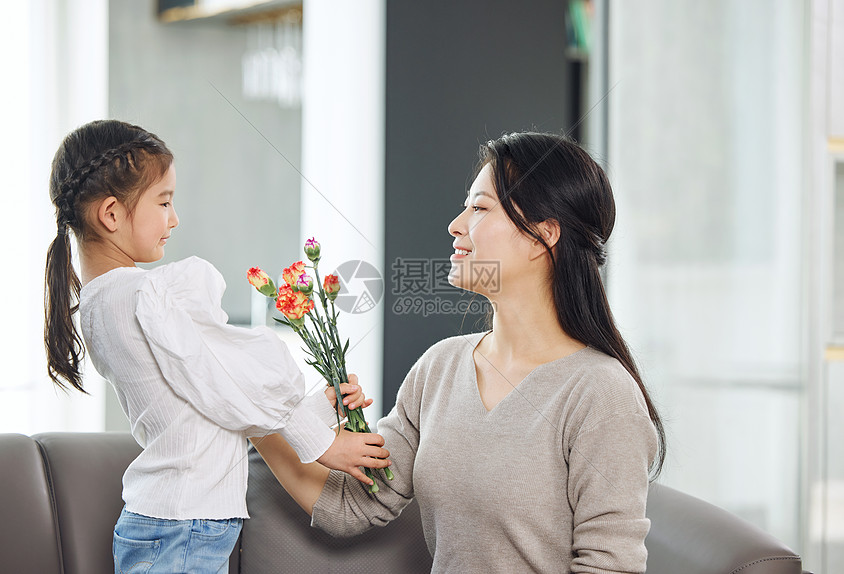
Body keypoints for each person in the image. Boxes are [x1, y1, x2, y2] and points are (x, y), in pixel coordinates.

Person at [253, 132, 666, 573]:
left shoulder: (602, 393)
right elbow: (352, 504)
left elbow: (611, 567)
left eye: (481, 207)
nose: (456, 225)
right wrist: (254, 416)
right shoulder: (440, 367)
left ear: (542, 237)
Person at [43, 119, 390, 574]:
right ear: (111, 215)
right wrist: (321, 441)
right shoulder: (148, 297)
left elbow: (208, 406)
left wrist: (317, 412)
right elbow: (232, 380)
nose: (174, 218)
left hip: (168, 524)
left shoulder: (100, 304)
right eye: (164, 202)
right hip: (183, 527)